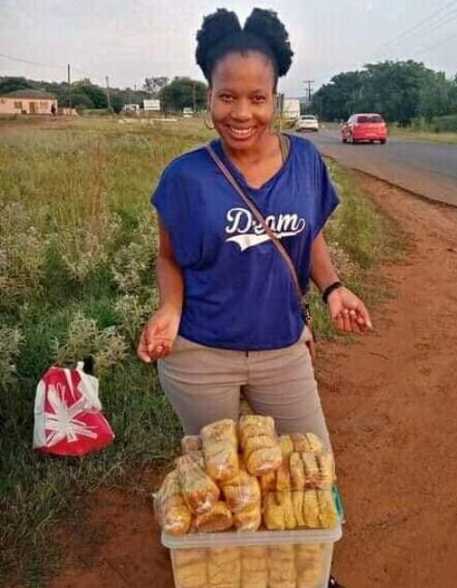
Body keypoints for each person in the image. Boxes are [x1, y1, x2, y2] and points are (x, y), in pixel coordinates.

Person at [136, 7, 370, 451]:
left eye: (257, 98)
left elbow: (306, 233)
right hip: (199, 355)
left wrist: (333, 287)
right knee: (221, 483)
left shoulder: (305, 162)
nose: (241, 113)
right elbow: (169, 256)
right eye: (227, 97)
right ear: (209, 95)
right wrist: (169, 310)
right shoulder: (184, 177)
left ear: (275, 98)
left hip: (283, 351)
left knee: (310, 468)